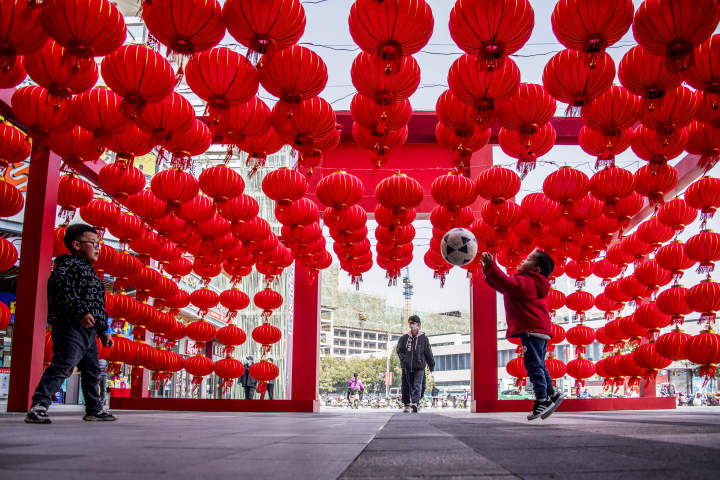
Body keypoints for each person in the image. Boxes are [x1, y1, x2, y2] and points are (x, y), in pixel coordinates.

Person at [25, 224, 116, 424]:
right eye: (93, 243)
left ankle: (94, 408)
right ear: (76, 244)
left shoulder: (93, 274)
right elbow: (63, 290)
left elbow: (98, 306)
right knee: (63, 365)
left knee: (92, 370)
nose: (97, 247)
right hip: (71, 326)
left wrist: (103, 331)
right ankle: (39, 404)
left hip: (90, 331)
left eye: (98, 243)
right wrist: (80, 312)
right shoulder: (66, 267)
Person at [481, 249, 565, 421]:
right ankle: (553, 394)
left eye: (528, 259)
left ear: (537, 269)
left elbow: (506, 284)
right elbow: (504, 286)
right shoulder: (533, 282)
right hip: (539, 329)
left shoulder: (527, 281)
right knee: (539, 364)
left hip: (531, 329)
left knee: (533, 365)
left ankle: (541, 399)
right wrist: (488, 272)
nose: (522, 260)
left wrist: (491, 266)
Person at [396, 315, 435, 413]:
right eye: (410, 323)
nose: (411, 325)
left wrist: (431, 365)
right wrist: (404, 360)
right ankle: (406, 404)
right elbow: (399, 350)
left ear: (418, 325)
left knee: (418, 385)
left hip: (419, 367)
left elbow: (428, 352)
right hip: (407, 367)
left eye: (413, 323)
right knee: (406, 385)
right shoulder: (404, 338)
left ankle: (415, 403)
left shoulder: (423, 338)